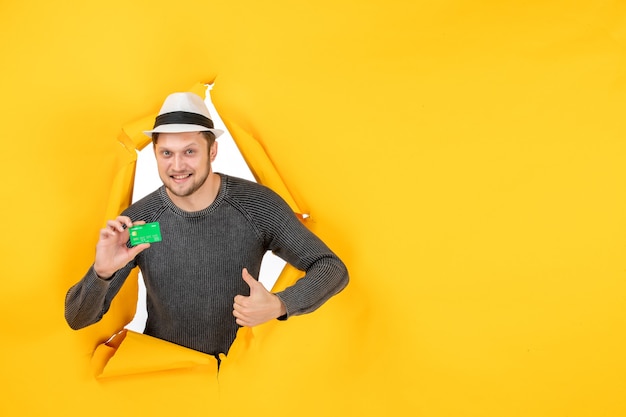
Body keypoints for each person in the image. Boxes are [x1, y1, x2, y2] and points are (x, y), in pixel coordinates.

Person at [65, 92, 349, 360]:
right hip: (166, 376)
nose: (177, 165)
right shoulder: (141, 222)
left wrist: (280, 304)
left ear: (212, 151)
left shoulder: (257, 205)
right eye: (166, 153)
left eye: (189, 151)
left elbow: (330, 267)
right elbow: (78, 319)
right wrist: (100, 273)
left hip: (239, 375)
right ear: (155, 153)